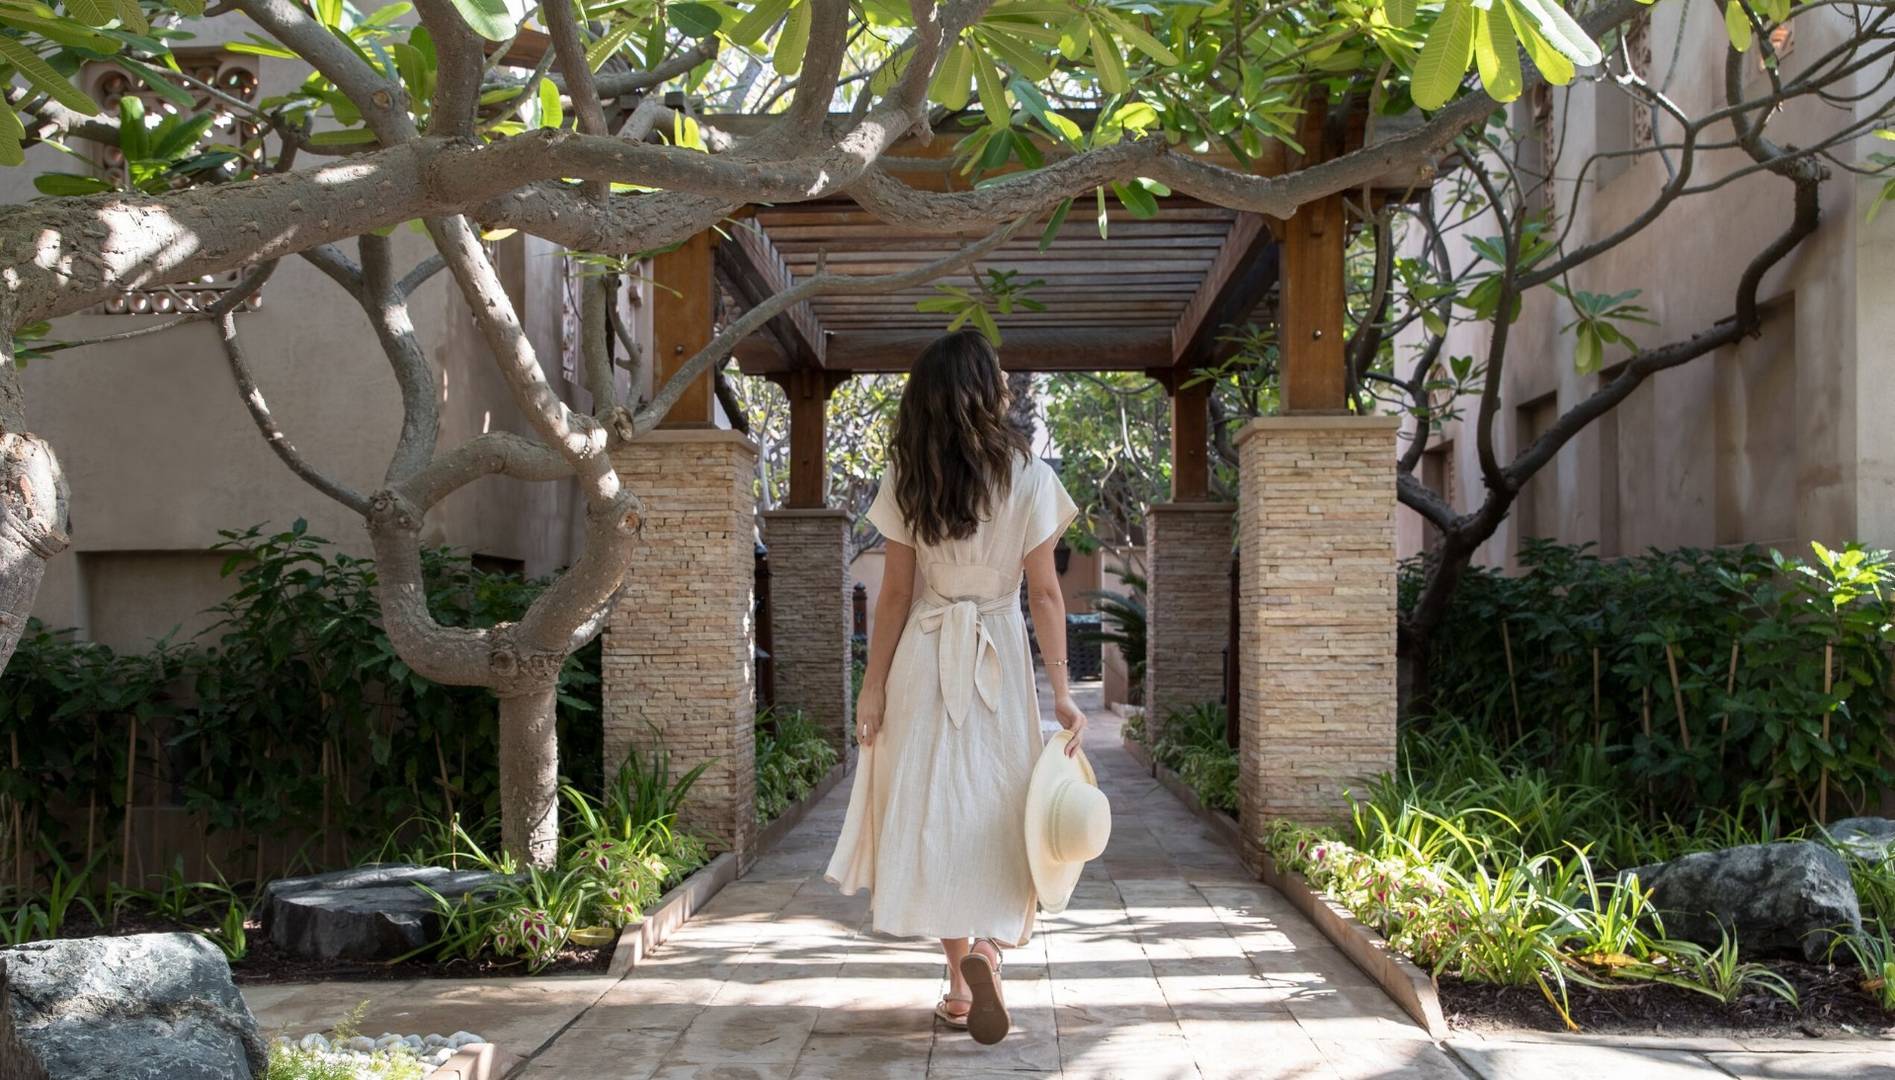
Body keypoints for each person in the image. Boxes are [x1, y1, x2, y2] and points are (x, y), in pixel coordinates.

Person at [824, 329, 1086, 1047]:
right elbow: (1045, 595)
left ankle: (957, 986)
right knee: (1000, 805)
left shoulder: (908, 476)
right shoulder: (1028, 473)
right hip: (997, 652)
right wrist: (1061, 692)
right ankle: (989, 953)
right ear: (982, 389)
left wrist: (871, 688)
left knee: (937, 809)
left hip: (924, 654)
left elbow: (895, 594)